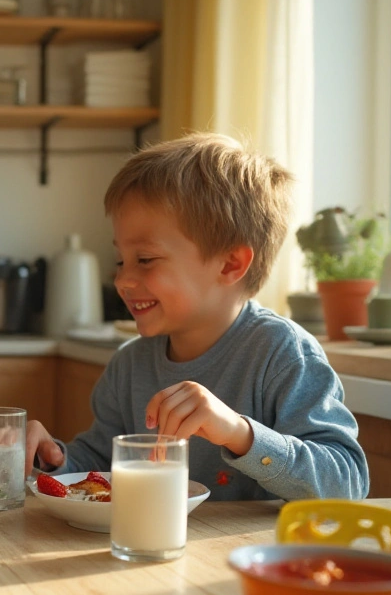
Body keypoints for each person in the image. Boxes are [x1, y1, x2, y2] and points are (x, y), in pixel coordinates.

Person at [26, 133, 368, 500]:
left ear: (230, 264)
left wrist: (239, 433)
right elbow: (102, 463)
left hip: (248, 557)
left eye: (145, 260)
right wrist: (54, 458)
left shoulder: (283, 354)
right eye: (121, 261)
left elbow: (346, 483)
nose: (123, 279)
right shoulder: (129, 365)